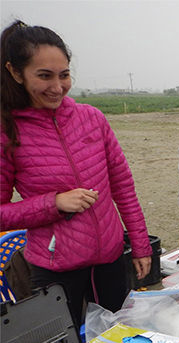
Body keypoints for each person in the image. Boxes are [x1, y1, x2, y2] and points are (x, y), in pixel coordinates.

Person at [0, 21, 152, 325]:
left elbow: (122, 186)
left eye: (64, 75)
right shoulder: (7, 131)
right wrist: (53, 204)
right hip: (55, 271)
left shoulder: (92, 118)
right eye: (44, 76)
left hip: (109, 261)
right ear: (16, 73)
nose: (57, 87)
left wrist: (140, 244)